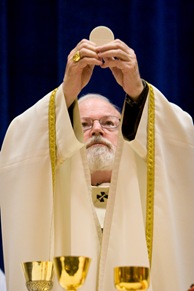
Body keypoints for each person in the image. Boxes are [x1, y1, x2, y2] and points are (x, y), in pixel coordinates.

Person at [0, 38, 194, 291]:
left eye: (110, 123)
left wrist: (137, 90)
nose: (97, 130)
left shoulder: (148, 191)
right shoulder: (54, 199)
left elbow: (180, 144)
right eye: (84, 124)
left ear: (129, 129)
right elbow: (19, 146)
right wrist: (66, 93)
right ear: (66, 135)